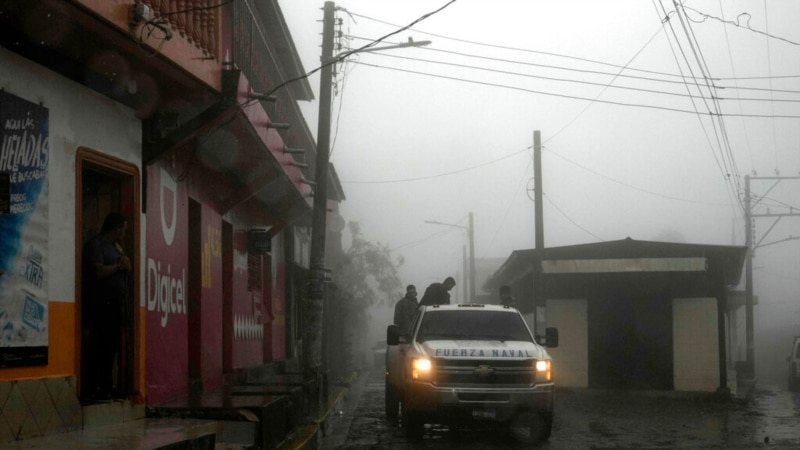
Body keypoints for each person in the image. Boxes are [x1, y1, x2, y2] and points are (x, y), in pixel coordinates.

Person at [82, 212, 131, 400]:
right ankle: (95, 386)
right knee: (98, 345)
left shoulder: (115, 247)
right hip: (100, 304)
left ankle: (107, 383)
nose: (124, 234)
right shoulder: (96, 246)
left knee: (111, 346)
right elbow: (98, 271)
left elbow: (124, 265)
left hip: (115, 305)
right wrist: (118, 267)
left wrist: (125, 265)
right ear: (116, 229)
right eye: (123, 230)